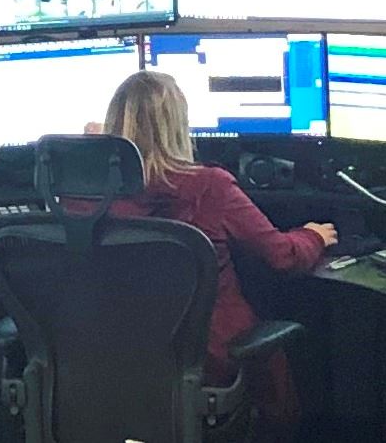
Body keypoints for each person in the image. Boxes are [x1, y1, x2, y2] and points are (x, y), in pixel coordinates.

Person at [95, 70, 336, 441]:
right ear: (179, 126)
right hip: (209, 365)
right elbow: (283, 256)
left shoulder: (83, 200)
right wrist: (313, 236)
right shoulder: (208, 187)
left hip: (116, 367)